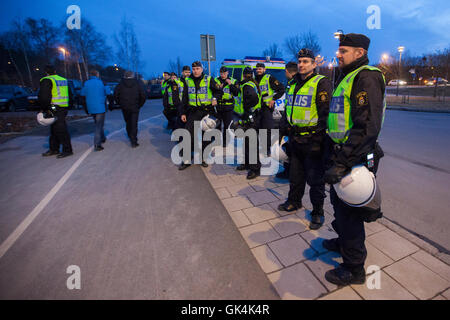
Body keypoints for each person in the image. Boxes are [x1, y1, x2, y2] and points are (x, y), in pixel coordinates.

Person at [322, 33, 386, 286]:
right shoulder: (348, 76)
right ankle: (343, 243)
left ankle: (354, 268)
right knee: (340, 205)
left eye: (344, 50)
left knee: (350, 213)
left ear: (359, 53)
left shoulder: (366, 76)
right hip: (343, 152)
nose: (338, 54)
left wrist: (343, 161)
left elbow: (367, 126)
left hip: (355, 155)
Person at [277, 49, 332, 231]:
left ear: (314, 64)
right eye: (300, 61)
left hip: (312, 140)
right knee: (295, 175)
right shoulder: (292, 84)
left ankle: (318, 212)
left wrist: (319, 139)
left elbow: (326, 114)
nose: (301, 64)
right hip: (295, 138)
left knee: (315, 180)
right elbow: (288, 109)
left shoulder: (321, 83)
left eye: (306, 61)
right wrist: (283, 130)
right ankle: (294, 202)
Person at [178, 61, 222, 170]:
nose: (195, 71)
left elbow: (219, 91)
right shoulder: (188, 81)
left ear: (202, 69)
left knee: (207, 136)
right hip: (193, 112)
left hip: (207, 111)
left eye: (198, 69)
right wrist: (183, 112)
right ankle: (187, 160)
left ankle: (203, 158)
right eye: (194, 69)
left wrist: (215, 98)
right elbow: (184, 99)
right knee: (188, 134)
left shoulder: (209, 79)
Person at [39, 65, 73, 158]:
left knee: (60, 128)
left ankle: (67, 150)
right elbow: (70, 94)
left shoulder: (47, 80)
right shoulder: (63, 80)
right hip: (63, 107)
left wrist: (44, 108)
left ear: (46, 72)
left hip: (54, 107)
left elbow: (44, 96)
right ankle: (54, 149)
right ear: (55, 71)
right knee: (55, 128)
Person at [236, 67, 262, 180]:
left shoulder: (247, 85)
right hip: (252, 116)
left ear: (243, 75)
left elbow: (254, 99)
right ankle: (247, 163)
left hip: (250, 117)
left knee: (251, 143)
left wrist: (247, 110)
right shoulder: (251, 83)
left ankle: (255, 168)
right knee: (247, 142)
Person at [254, 62, 285, 153]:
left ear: (264, 69)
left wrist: (274, 99)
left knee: (266, 129)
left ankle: (267, 150)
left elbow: (281, 89)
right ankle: (259, 148)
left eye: (260, 69)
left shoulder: (269, 78)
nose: (258, 70)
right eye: (257, 69)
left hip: (267, 108)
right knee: (257, 129)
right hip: (257, 109)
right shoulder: (254, 80)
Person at [276, 61, 298, 180]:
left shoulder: (296, 83)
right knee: (287, 147)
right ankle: (287, 171)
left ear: (287, 71)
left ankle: (291, 173)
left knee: (290, 150)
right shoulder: (291, 83)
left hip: (293, 123)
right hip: (288, 120)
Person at [113, 71, 146, 148]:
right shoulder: (138, 83)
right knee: (134, 123)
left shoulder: (120, 84)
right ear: (132, 75)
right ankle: (133, 141)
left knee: (128, 122)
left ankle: (130, 135)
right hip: (135, 106)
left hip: (125, 107)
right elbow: (143, 95)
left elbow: (115, 95)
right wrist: (140, 105)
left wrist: (120, 103)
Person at [81, 69, 108, 151]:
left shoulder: (86, 83)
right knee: (99, 126)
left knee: (97, 123)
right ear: (97, 75)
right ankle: (97, 144)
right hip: (100, 107)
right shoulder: (101, 83)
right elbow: (108, 92)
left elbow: (82, 94)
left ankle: (102, 138)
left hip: (90, 107)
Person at [215, 66, 239, 146]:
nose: (223, 75)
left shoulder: (233, 80)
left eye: (224, 73)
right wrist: (219, 87)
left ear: (227, 73)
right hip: (218, 106)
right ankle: (217, 142)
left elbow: (236, 93)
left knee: (227, 126)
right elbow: (213, 91)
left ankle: (225, 143)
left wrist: (230, 84)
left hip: (228, 107)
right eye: (221, 73)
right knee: (217, 125)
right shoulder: (216, 80)